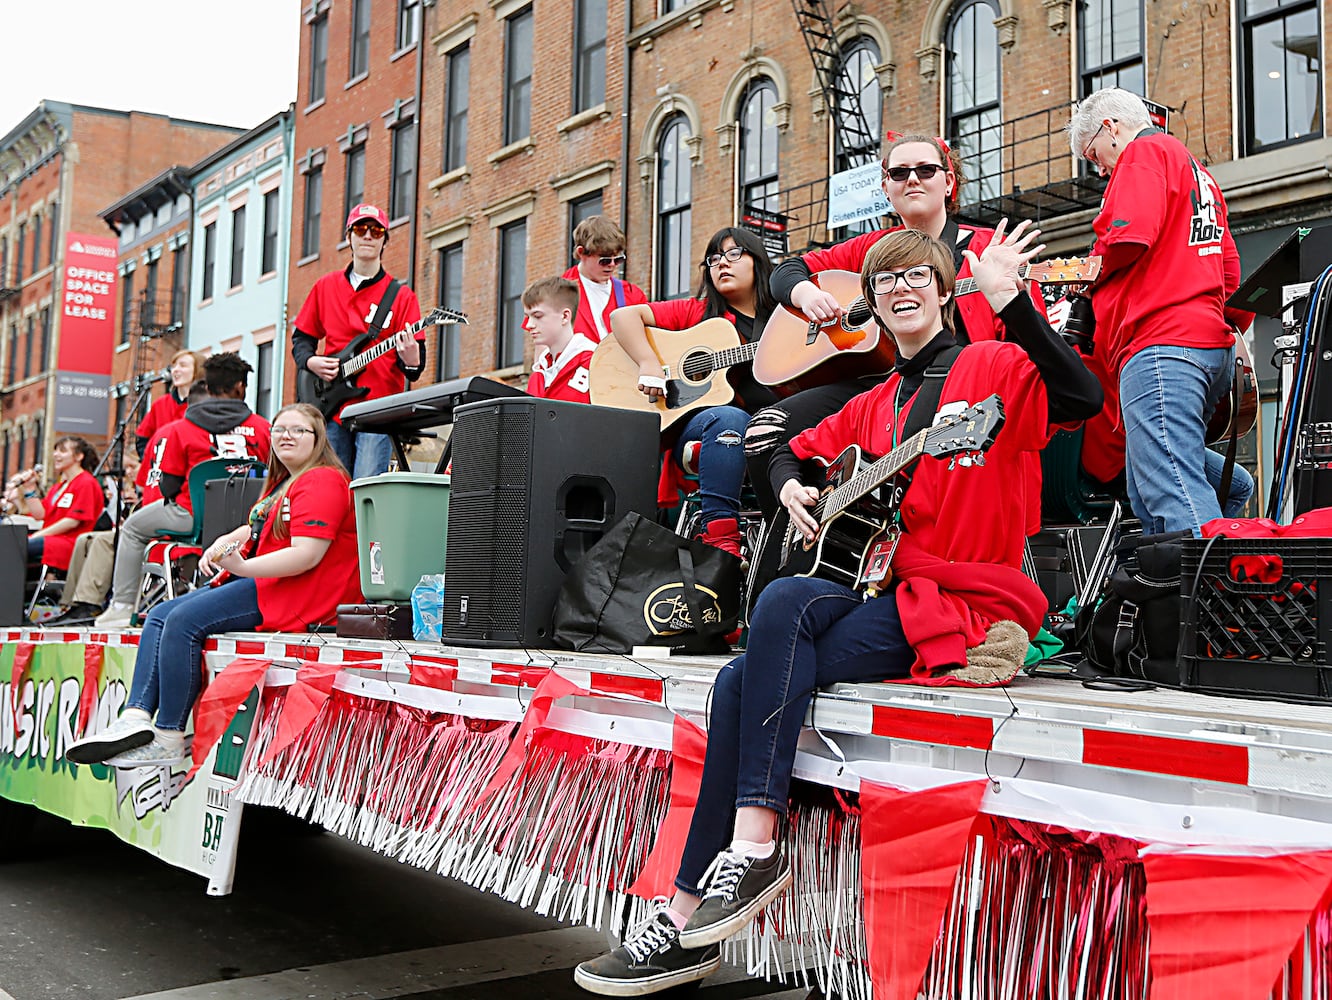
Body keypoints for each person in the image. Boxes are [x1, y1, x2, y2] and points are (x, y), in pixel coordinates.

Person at [573, 224, 1103, 996]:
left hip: (963, 598)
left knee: (769, 627)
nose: (899, 289)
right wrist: (789, 481)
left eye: (917, 275)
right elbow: (778, 438)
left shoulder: (991, 366)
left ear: (947, 288)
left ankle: (734, 867)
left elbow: (1081, 398)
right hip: (885, 593)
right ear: (875, 303)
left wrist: (1012, 303)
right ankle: (692, 908)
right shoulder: (876, 398)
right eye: (885, 281)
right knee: (736, 676)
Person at [745, 133, 1046, 525]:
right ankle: (794, 549)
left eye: (926, 169)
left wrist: (1011, 300)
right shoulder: (875, 247)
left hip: (968, 396)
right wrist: (804, 294)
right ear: (886, 187)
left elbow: (1036, 353)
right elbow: (787, 270)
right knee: (765, 432)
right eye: (899, 172)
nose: (913, 180)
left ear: (949, 181)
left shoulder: (992, 250)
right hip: (883, 387)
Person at [67, 404, 363, 769]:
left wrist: (243, 565)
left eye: (299, 430)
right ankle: (136, 715)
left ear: (319, 441)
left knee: (182, 622)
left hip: (299, 592)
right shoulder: (287, 480)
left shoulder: (322, 479)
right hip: (272, 583)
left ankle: (168, 736)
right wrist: (226, 541)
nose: (286, 435)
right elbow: (259, 525)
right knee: (159, 614)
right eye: (280, 428)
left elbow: (307, 554)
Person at [1067, 88, 1254, 535]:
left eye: (1095, 154)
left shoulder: (1143, 152)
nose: (1100, 168)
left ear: (1111, 128)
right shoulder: (1199, 174)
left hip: (1160, 343)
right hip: (1206, 343)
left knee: (1170, 490)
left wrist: (1088, 272)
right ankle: (1188, 587)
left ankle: (1205, 600)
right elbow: (1229, 271)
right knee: (1150, 483)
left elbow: (1129, 237)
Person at [609, 227, 781, 557]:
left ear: (757, 260)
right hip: (702, 426)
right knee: (730, 418)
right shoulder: (697, 312)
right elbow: (624, 316)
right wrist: (647, 363)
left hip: (771, 423)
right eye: (714, 259)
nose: (721, 265)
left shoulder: (783, 319)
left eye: (733, 254)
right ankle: (721, 541)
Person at [95, 354, 270, 628]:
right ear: (241, 388)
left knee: (131, 527)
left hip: (194, 517)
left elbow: (169, 485)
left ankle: (121, 606)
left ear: (207, 388)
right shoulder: (263, 428)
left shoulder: (179, 429)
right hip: (250, 521)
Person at [50, 382, 210, 625]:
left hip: (175, 524)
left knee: (108, 538)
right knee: (90, 539)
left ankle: (98, 604)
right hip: (168, 518)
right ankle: (72, 604)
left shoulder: (174, 437)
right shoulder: (172, 438)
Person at [292, 203, 425, 478]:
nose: (368, 236)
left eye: (376, 231)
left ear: (384, 241)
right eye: (360, 229)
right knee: (330, 486)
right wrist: (312, 361)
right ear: (349, 236)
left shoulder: (402, 297)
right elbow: (301, 339)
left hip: (378, 411)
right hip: (331, 407)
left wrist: (412, 359)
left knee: (365, 487)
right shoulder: (325, 286)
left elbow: (414, 365)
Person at [10, 437, 104, 572]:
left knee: (15, 547)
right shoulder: (59, 487)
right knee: (11, 545)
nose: (56, 455)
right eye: (55, 451)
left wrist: (39, 535)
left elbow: (72, 521)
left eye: (63, 451)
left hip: (68, 543)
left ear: (79, 456)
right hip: (51, 539)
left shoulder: (86, 482)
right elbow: (40, 514)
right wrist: (29, 489)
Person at [561, 216, 647, 344]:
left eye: (618, 259)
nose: (612, 265)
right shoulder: (557, 293)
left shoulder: (632, 295)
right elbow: (542, 347)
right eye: (604, 260)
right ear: (581, 253)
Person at [525, 277, 597, 403]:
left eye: (537, 316)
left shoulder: (596, 363)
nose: (529, 325)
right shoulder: (538, 372)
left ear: (565, 316)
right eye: (528, 317)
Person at [135, 349, 205, 456]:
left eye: (183, 365)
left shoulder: (206, 405)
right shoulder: (160, 404)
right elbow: (142, 438)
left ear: (197, 371)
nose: (175, 370)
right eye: (174, 366)